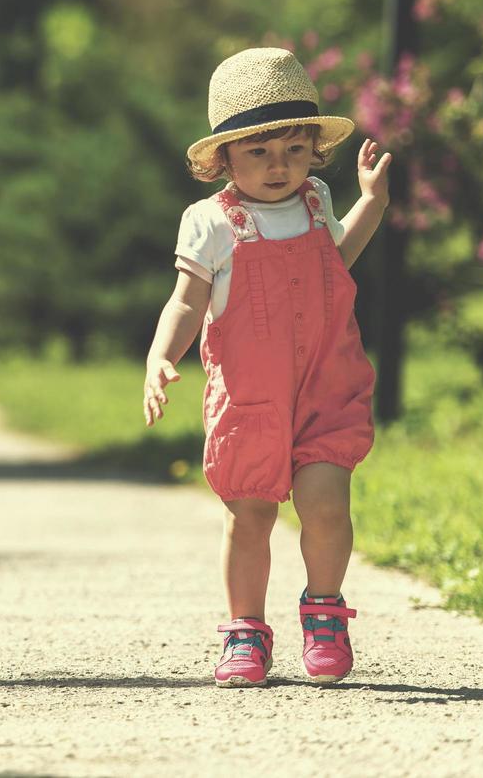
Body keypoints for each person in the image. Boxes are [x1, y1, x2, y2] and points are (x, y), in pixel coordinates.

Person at [141, 47, 392, 687]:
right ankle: (245, 632)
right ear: (223, 158)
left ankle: (325, 610)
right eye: (258, 152)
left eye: (293, 149)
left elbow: (337, 259)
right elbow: (186, 301)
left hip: (326, 388)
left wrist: (372, 204)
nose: (278, 165)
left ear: (314, 150)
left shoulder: (316, 203)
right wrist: (159, 357)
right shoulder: (211, 224)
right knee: (250, 516)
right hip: (251, 400)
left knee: (326, 503)